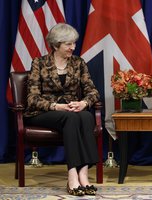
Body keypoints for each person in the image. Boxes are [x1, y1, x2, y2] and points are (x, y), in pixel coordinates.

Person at [24, 23, 100, 196]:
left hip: (71, 110)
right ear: (56, 44)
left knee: (87, 117)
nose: (73, 47)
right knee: (72, 118)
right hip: (43, 112)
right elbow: (32, 98)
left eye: (74, 43)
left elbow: (93, 91)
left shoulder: (79, 63)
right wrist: (56, 106)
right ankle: (72, 174)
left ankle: (84, 174)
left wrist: (83, 103)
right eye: (68, 44)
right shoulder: (40, 63)